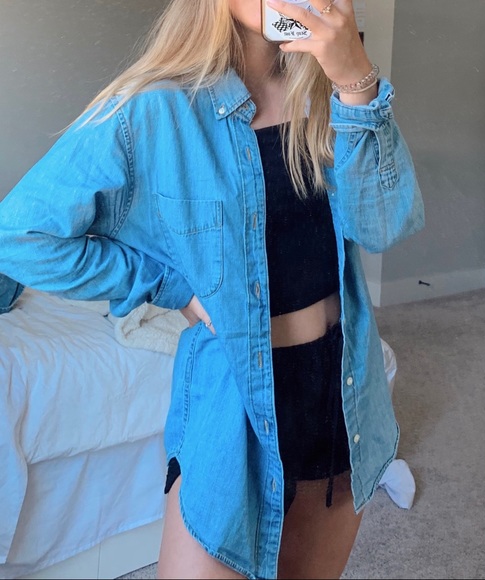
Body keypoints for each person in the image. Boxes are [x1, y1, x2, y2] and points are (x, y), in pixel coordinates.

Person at [0, 0, 424, 577]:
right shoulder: (153, 108)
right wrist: (168, 284)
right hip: (232, 401)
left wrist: (357, 81)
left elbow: (383, 228)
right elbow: (21, 235)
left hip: (342, 393)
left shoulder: (327, 91)